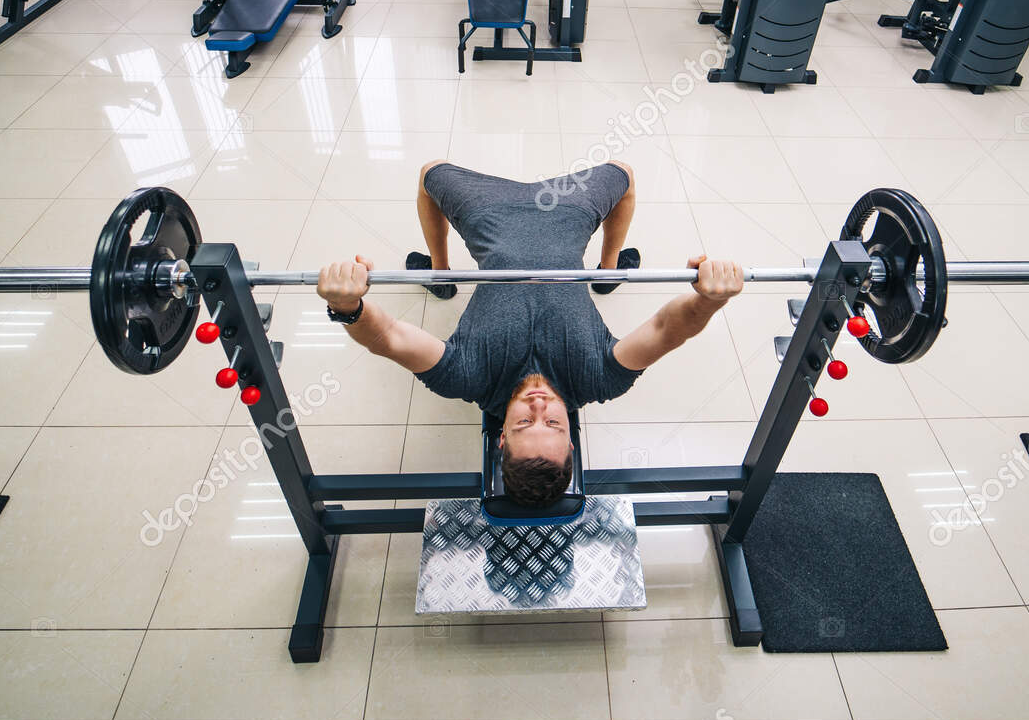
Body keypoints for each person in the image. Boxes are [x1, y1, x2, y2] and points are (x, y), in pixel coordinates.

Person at [316, 159, 744, 506]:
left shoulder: (469, 377)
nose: (539, 407)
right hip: (568, 218)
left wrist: (346, 306)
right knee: (626, 175)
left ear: (502, 435)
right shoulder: (598, 378)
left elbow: (389, 337)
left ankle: (440, 273)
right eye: (554, 423)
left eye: (525, 422)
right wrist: (710, 300)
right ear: (571, 441)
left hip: (489, 216)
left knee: (430, 173)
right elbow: (666, 330)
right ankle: (608, 271)